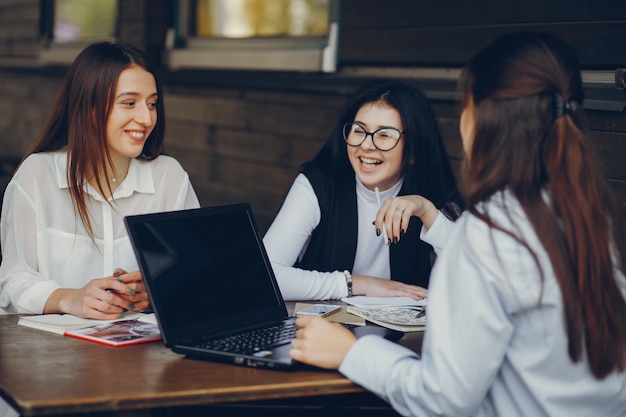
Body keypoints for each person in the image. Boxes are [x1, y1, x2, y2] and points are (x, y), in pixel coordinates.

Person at [289, 31, 626, 416]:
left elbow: (443, 400)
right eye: (360, 132)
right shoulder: (593, 215)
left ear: (479, 119)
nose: (368, 145)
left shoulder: (490, 233)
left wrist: (351, 353)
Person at [0, 41, 200, 319]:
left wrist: (155, 291)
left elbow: (195, 279)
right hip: (55, 355)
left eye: (152, 104)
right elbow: (12, 283)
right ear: (90, 108)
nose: (145, 118)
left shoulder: (170, 176)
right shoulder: (38, 175)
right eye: (129, 103)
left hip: (141, 354)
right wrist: (70, 298)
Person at [263, 79, 463, 301]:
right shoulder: (319, 184)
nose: (366, 145)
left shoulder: (430, 191)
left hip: (402, 336)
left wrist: (427, 211)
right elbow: (266, 276)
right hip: (323, 329)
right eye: (359, 130)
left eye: (385, 135)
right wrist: (358, 284)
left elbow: (469, 275)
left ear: (414, 150)